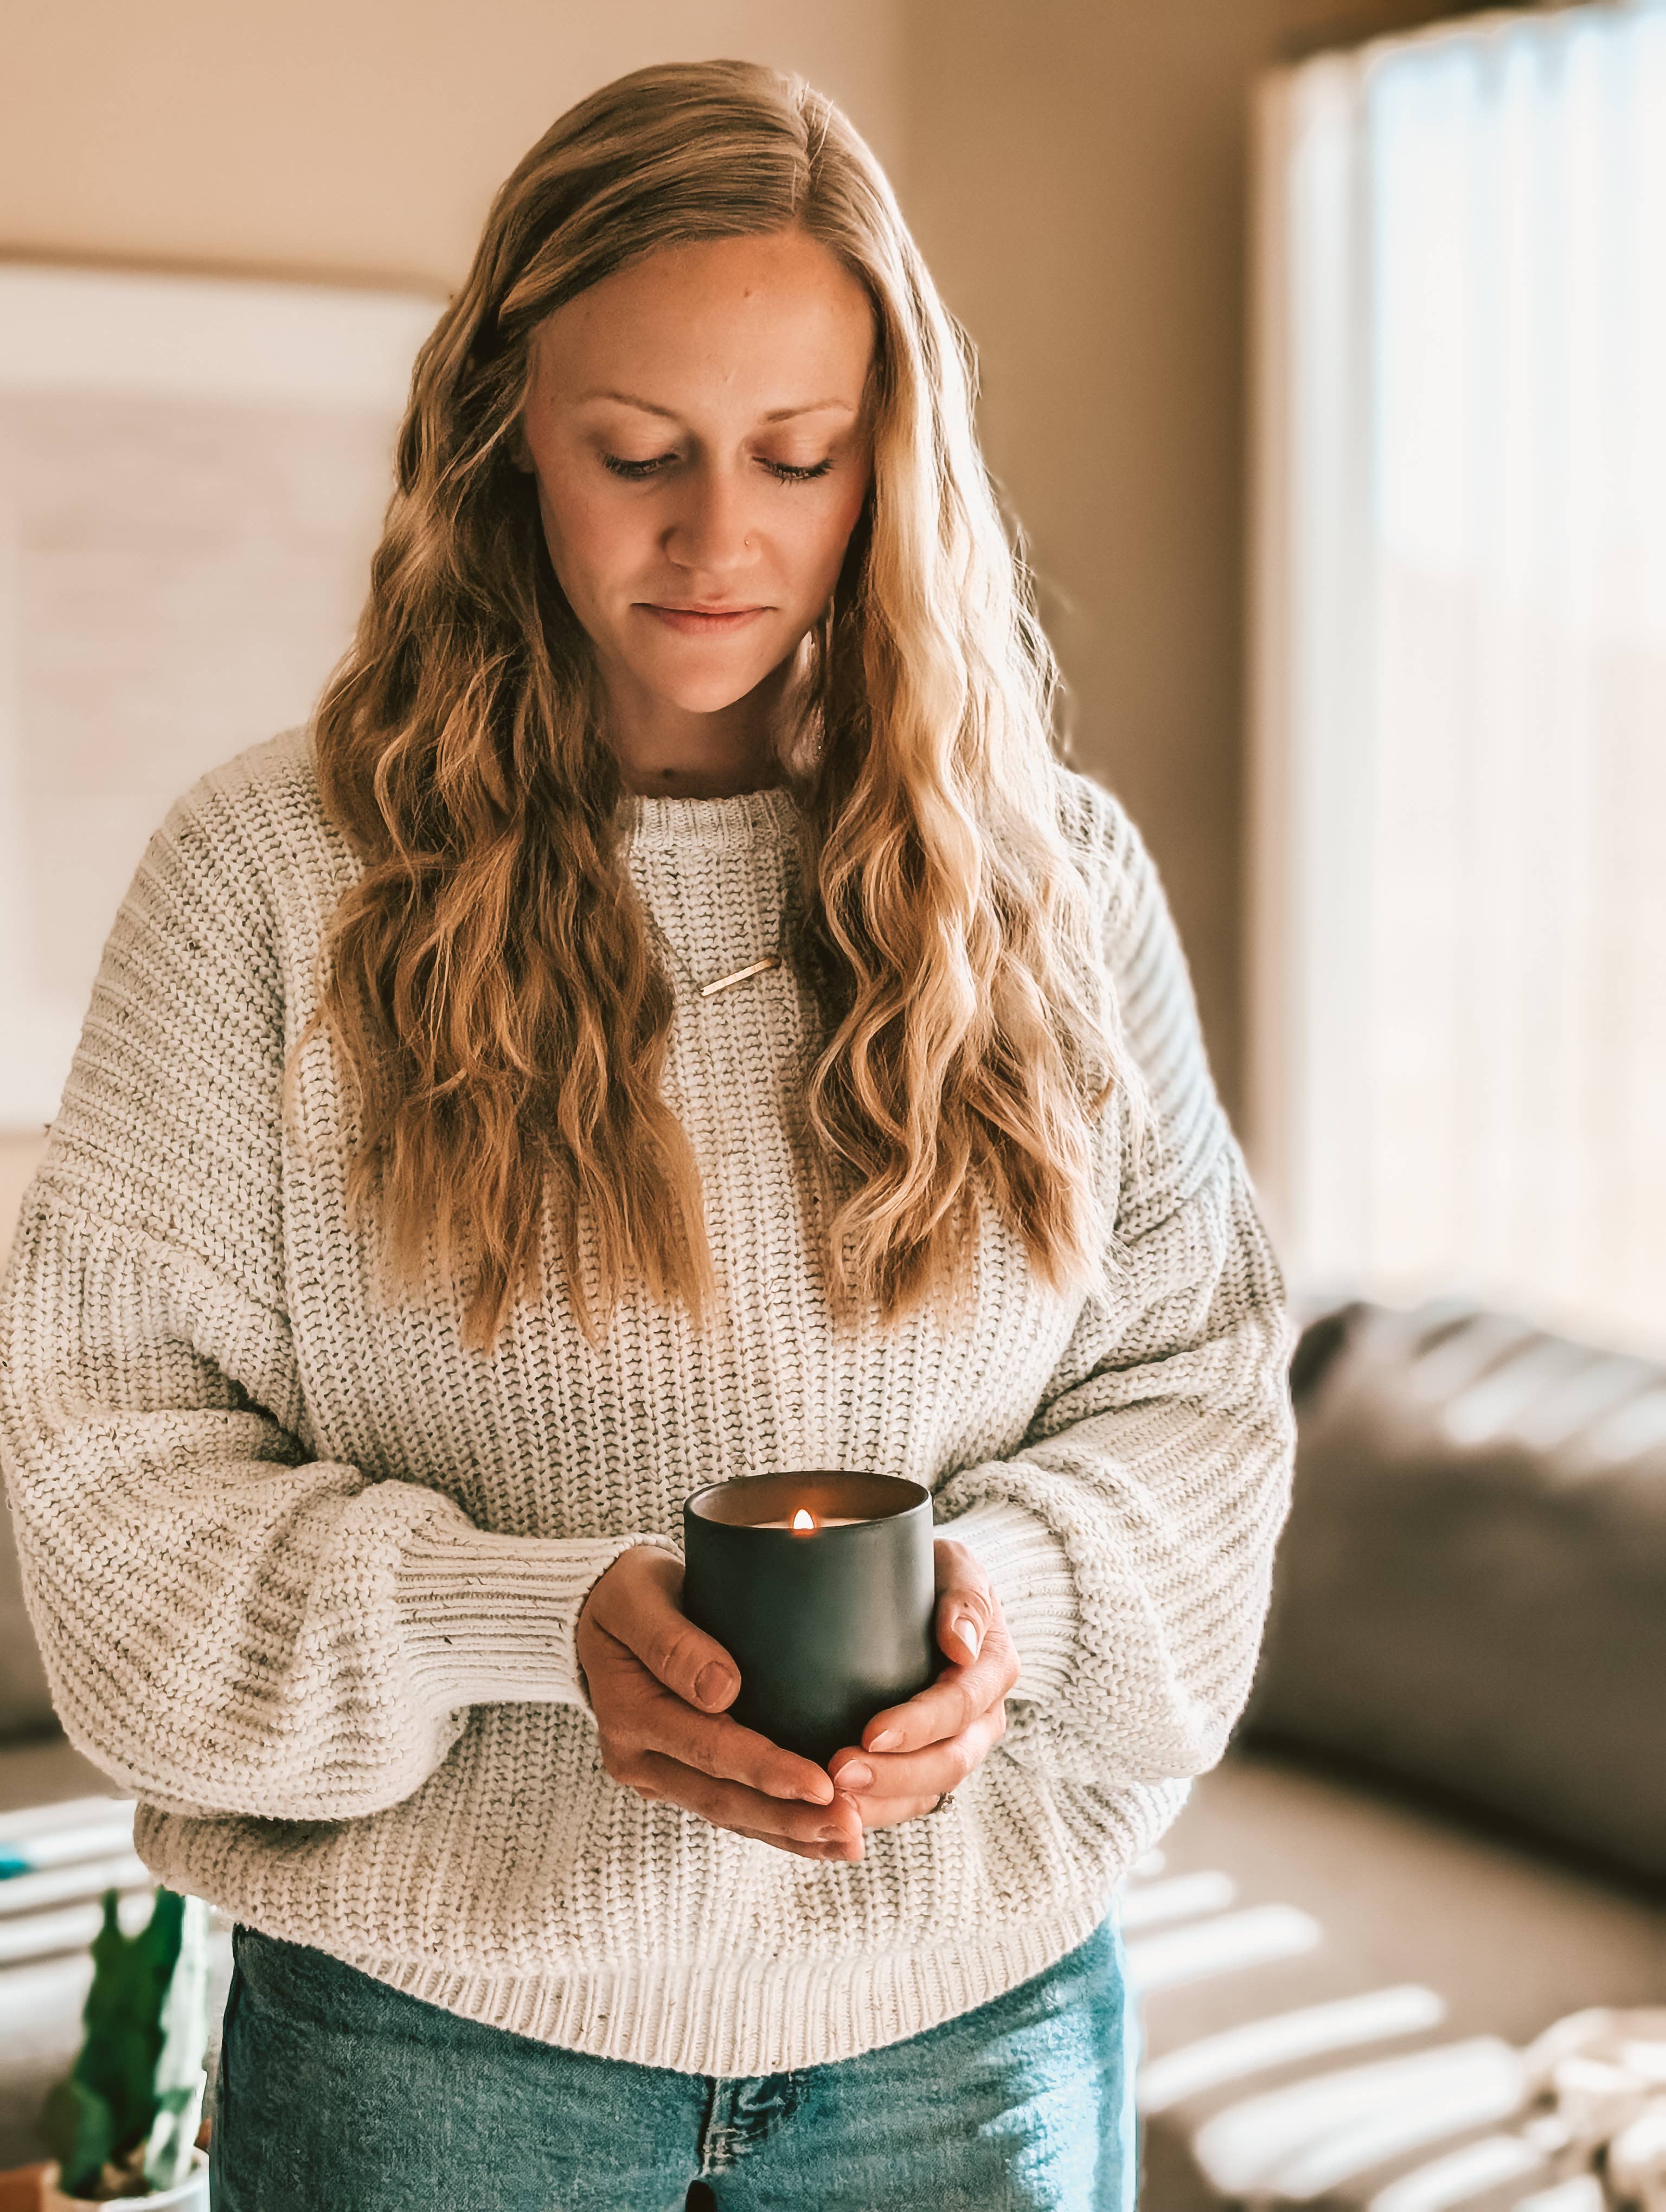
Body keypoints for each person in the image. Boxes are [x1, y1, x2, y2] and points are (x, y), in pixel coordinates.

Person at [0, 57, 1296, 2212]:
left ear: (894, 462)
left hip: (970, 2053)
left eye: (797, 456)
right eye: (638, 455)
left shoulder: (1055, 880)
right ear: (507, 440)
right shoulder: (262, 886)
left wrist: (1011, 1602)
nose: (722, 538)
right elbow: (119, 1520)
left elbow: (1200, 1401)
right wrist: (529, 1619)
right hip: (431, 2065)